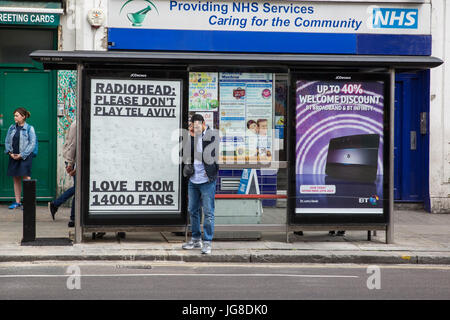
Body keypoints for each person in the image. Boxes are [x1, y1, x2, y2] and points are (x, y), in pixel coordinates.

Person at [182, 114, 219, 254]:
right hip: (193, 179)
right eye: (193, 126)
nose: (195, 128)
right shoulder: (191, 136)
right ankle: (196, 240)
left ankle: (207, 242)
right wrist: (191, 137)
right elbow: (185, 154)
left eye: (197, 126)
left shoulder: (212, 135)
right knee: (193, 210)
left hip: (207, 180)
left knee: (208, 212)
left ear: (203, 124)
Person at [4, 107, 36, 210]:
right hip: (13, 156)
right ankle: (17, 202)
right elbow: (7, 141)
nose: (15, 117)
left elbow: (32, 144)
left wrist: (22, 155)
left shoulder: (29, 128)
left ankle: (28, 203)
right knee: (16, 179)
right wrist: (10, 153)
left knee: (26, 178)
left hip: (25, 157)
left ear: (23, 117)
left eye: (17, 115)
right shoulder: (12, 128)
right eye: (14, 115)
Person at [48, 120, 77, 227]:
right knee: (78, 189)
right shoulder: (76, 124)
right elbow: (73, 144)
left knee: (78, 188)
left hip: (74, 158)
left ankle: (56, 205)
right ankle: (73, 218)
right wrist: (70, 163)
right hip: (73, 158)